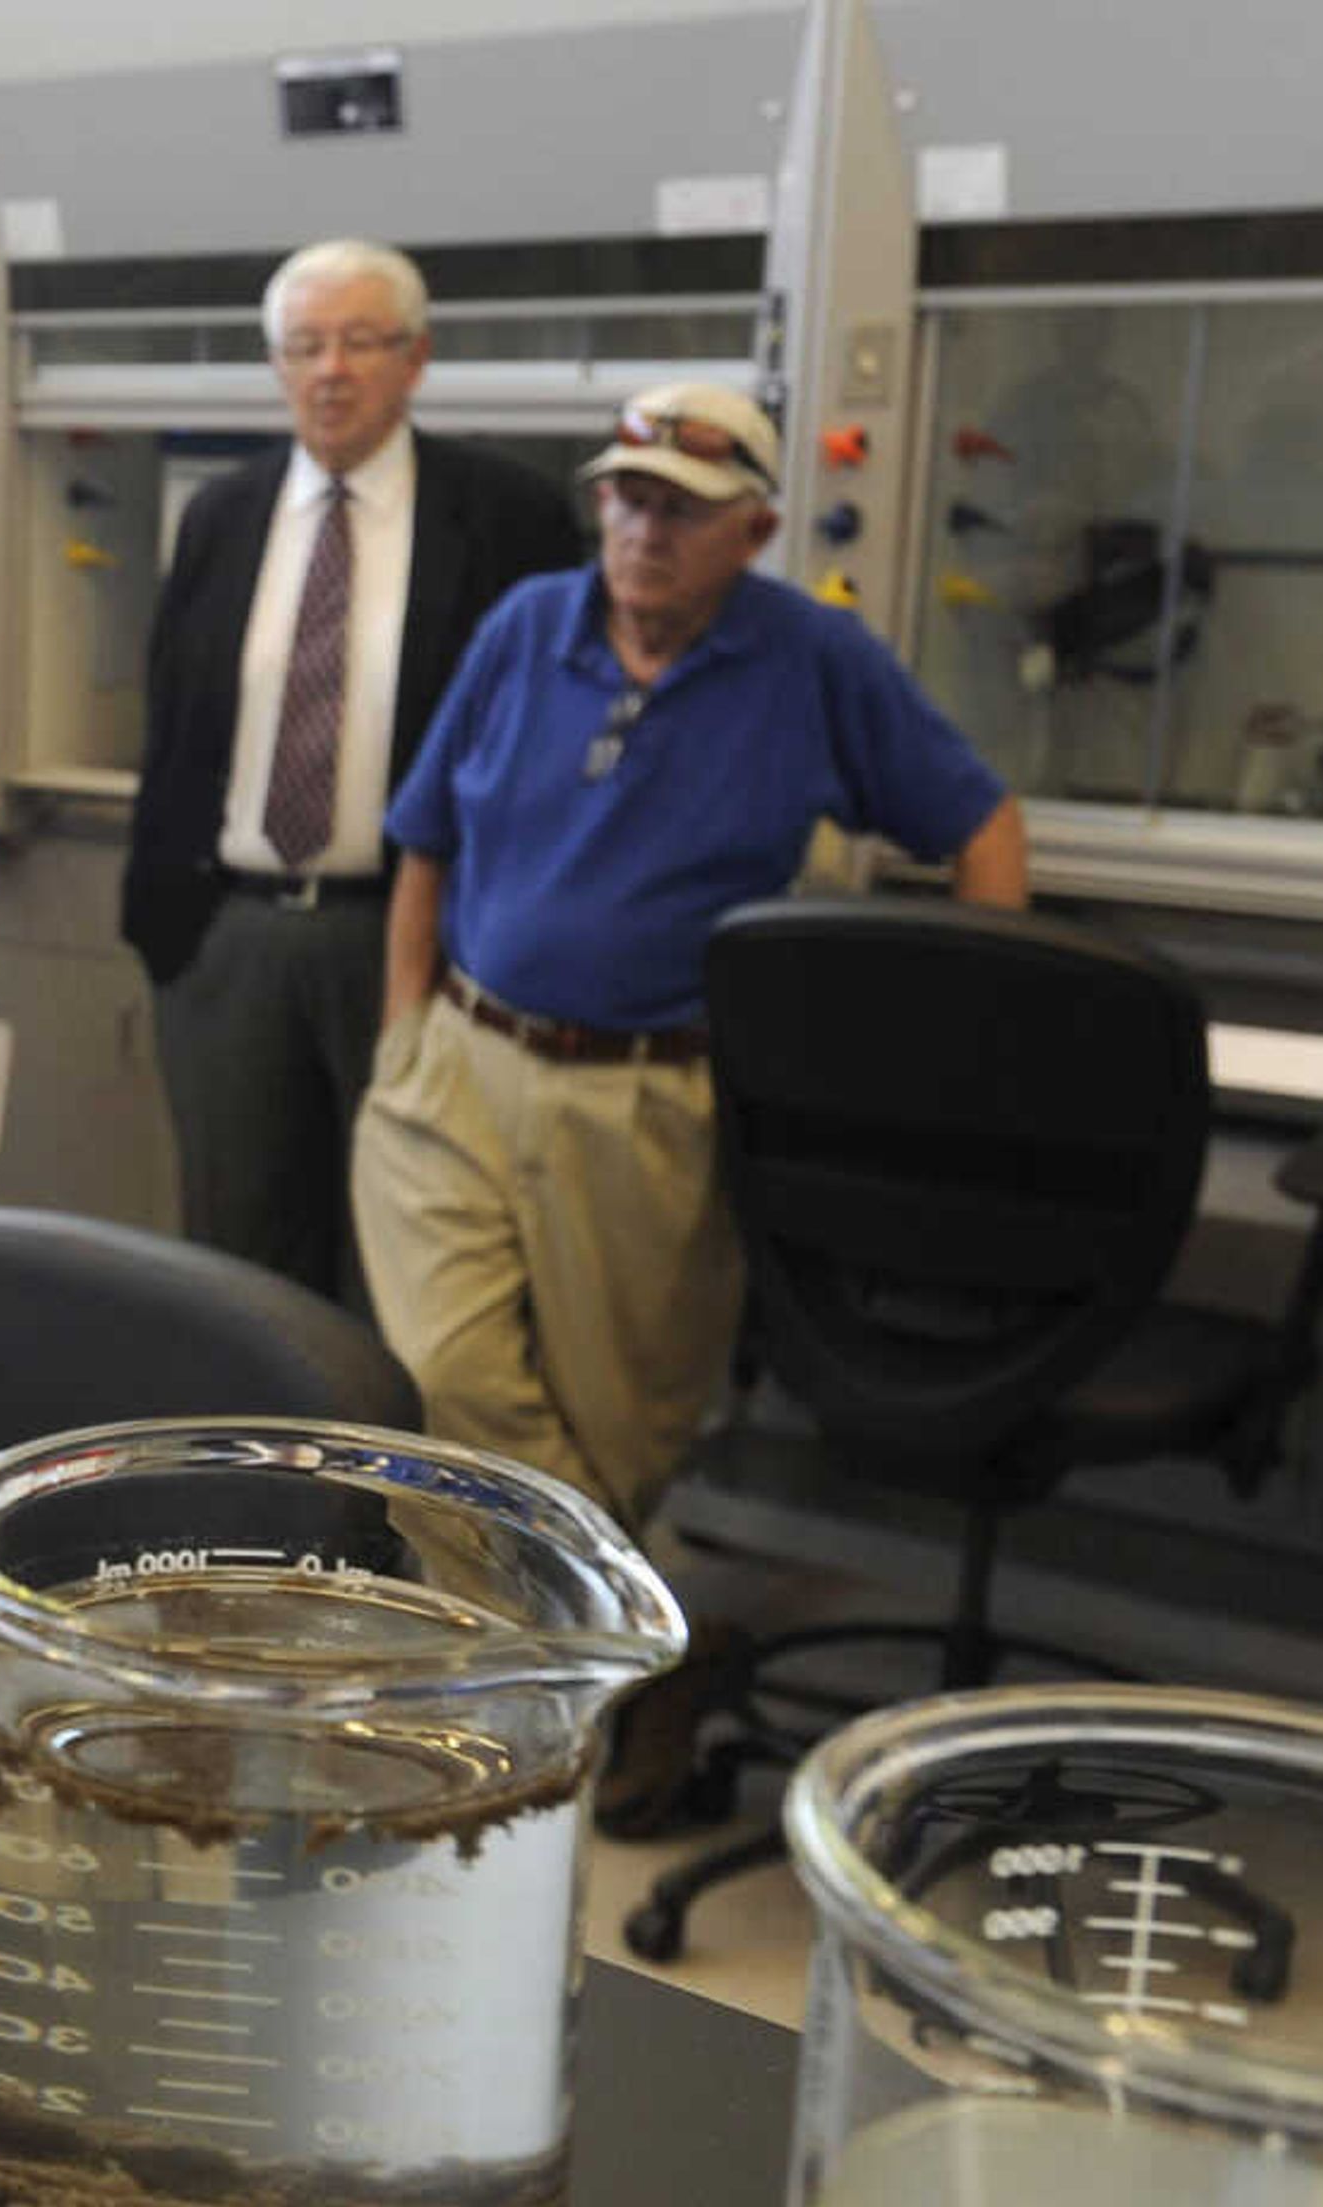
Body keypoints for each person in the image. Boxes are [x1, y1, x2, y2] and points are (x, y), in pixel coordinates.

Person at [351, 378, 1030, 1540]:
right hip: (458, 1064)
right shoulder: (527, 626)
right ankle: (572, 1657)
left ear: (755, 532)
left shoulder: (810, 658)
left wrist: (963, 1040)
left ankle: (566, 1683)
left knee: (625, 1434)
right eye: (624, 501)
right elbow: (424, 842)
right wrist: (404, 1032)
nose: (642, 535)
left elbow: (982, 824)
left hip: (650, 1101)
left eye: (679, 512)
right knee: (442, 1374)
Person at [123, 238, 581, 1302]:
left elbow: (542, 749)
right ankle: (252, 1467)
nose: (331, 370)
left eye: (361, 343)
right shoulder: (220, 517)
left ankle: (380, 1471)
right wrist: (163, 934)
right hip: (226, 936)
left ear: (415, 360)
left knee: (408, 1254)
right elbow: (175, 721)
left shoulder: (510, 519)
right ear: (278, 366)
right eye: (305, 345)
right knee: (235, 1259)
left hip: (420, 942)